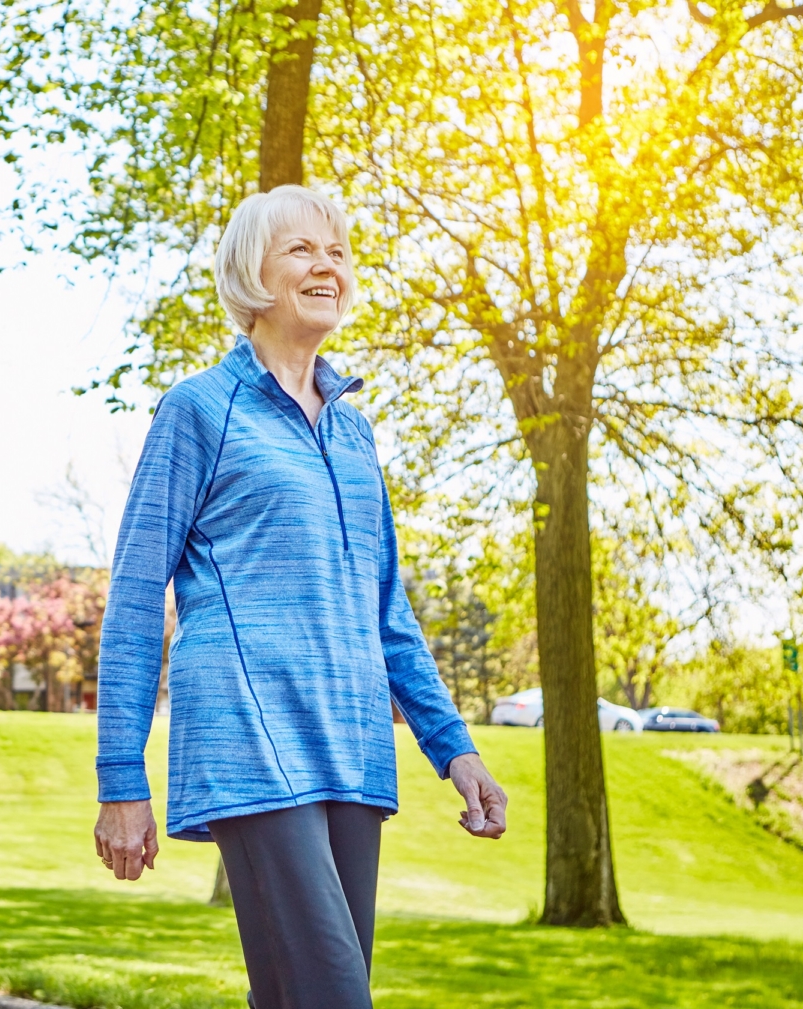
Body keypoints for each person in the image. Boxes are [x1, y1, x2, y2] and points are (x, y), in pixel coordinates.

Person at [92, 185, 507, 1009]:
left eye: (338, 252)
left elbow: (386, 609)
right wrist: (119, 775)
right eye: (302, 250)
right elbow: (137, 594)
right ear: (253, 271)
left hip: (352, 744)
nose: (327, 265)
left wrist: (455, 749)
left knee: (295, 996)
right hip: (249, 737)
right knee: (333, 994)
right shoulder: (199, 410)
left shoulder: (355, 430)